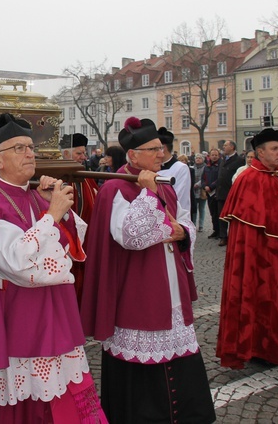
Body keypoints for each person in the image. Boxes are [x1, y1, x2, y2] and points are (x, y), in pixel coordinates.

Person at [0, 113, 105, 423]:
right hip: (15, 320)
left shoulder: (37, 198)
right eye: (19, 148)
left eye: (30, 147)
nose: (29, 153)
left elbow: (72, 247)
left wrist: (56, 212)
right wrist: (52, 216)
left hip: (54, 315)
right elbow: (19, 265)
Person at [81, 117, 215, 423]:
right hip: (136, 291)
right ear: (132, 155)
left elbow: (184, 222)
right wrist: (147, 194)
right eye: (153, 149)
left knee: (180, 361)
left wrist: (183, 233)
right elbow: (130, 237)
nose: (161, 153)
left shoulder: (161, 185)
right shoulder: (116, 189)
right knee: (142, 381)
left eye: (162, 148)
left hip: (169, 287)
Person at [217, 128, 278, 380]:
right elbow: (245, 232)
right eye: (275, 149)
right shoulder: (248, 179)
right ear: (259, 152)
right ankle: (260, 350)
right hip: (259, 262)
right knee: (259, 303)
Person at [60, 132, 99, 305]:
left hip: (86, 242)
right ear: (66, 154)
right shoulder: (57, 179)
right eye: (79, 153)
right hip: (65, 244)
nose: (84, 157)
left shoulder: (87, 177)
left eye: (84, 153)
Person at [216, 140, 245, 247]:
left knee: (233, 216)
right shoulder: (223, 159)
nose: (223, 147)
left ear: (232, 147)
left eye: (226, 145)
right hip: (221, 192)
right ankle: (223, 237)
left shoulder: (239, 160)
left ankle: (234, 236)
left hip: (232, 193)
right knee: (221, 216)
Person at [158, 127, 192, 212]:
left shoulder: (181, 168)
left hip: (174, 215)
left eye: (154, 148)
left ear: (163, 148)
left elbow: (179, 197)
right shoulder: (153, 167)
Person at [202, 148, 221, 239]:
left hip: (217, 192)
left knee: (218, 213)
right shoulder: (207, 166)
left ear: (219, 156)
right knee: (212, 213)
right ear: (209, 156)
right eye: (212, 155)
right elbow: (203, 178)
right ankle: (215, 230)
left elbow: (220, 179)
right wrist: (204, 186)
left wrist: (211, 187)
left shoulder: (220, 166)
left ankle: (220, 232)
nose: (214, 157)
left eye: (216, 155)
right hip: (208, 193)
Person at [191, 153, 208, 231]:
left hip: (201, 191)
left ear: (203, 160)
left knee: (201, 209)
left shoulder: (205, 168)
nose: (198, 159)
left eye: (199, 158)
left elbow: (205, 178)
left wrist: (198, 184)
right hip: (193, 191)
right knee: (194, 209)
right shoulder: (192, 167)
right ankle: (193, 224)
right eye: (196, 158)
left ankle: (201, 225)